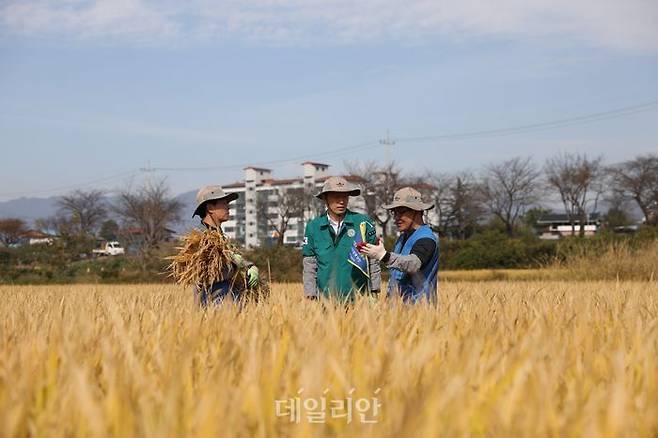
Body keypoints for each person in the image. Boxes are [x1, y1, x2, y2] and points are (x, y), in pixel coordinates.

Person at [302, 176, 381, 302]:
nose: (341, 201)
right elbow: (310, 265)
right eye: (336, 197)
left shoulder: (363, 223)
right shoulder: (313, 227)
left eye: (345, 196)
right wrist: (310, 295)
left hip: (359, 300)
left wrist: (375, 290)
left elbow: (373, 260)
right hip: (325, 301)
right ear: (325, 199)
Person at [359, 187, 439, 304]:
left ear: (417, 211)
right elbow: (395, 276)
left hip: (419, 312)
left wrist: (384, 256)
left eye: (401, 212)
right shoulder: (403, 237)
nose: (396, 218)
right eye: (394, 213)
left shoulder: (426, 239)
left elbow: (413, 264)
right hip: (398, 311)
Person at [191, 185, 259, 307]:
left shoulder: (220, 236)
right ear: (210, 208)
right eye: (223, 203)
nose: (228, 207)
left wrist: (246, 266)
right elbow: (207, 272)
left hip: (228, 296)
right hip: (215, 300)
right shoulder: (200, 238)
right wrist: (237, 263)